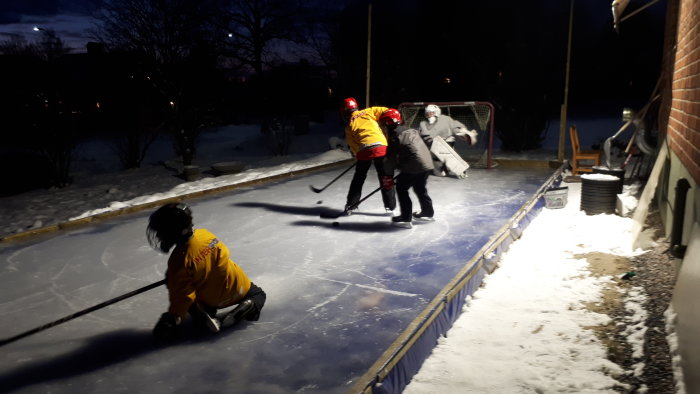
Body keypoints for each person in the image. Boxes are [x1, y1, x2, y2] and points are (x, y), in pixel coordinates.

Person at [147, 202, 266, 342]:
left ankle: (203, 315)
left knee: (188, 297)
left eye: (162, 232)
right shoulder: (205, 235)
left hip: (213, 300)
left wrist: (172, 317)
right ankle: (250, 305)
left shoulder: (179, 261)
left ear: (174, 232)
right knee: (259, 295)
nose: (160, 236)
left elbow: (183, 296)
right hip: (238, 286)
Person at [379, 108, 435, 229]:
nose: (383, 128)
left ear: (388, 124)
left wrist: (387, 176)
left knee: (401, 188)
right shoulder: (410, 130)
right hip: (427, 164)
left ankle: (406, 218)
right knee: (420, 188)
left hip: (415, 165)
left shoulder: (395, 136)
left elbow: (390, 160)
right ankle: (428, 213)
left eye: (384, 125)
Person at [341, 97, 396, 214]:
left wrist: (359, 155)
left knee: (358, 178)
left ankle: (351, 205)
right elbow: (386, 111)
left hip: (364, 150)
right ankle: (390, 207)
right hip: (381, 147)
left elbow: (353, 145)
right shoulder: (368, 111)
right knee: (385, 177)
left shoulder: (349, 125)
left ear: (345, 111)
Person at [419, 104, 478, 176]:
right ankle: (442, 166)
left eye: (431, 113)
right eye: (427, 113)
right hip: (431, 148)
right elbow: (425, 138)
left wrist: (464, 132)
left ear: (437, 113)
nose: (429, 115)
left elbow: (455, 126)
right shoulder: (423, 124)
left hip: (446, 144)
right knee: (440, 173)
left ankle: (458, 168)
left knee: (442, 146)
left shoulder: (445, 119)